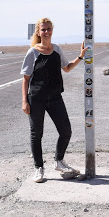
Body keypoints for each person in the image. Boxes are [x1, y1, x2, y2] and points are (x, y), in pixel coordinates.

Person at [21, 17, 87, 183]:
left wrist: (80, 57)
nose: (46, 32)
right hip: (36, 99)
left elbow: (67, 68)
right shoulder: (33, 52)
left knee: (66, 131)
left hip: (55, 97)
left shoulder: (56, 49)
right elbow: (26, 79)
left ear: (52, 30)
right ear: (38, 32)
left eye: (49, 29)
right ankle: (39, 168)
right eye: (43, 29)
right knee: (37, 134)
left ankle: (59, 161)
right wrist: (24, 101)